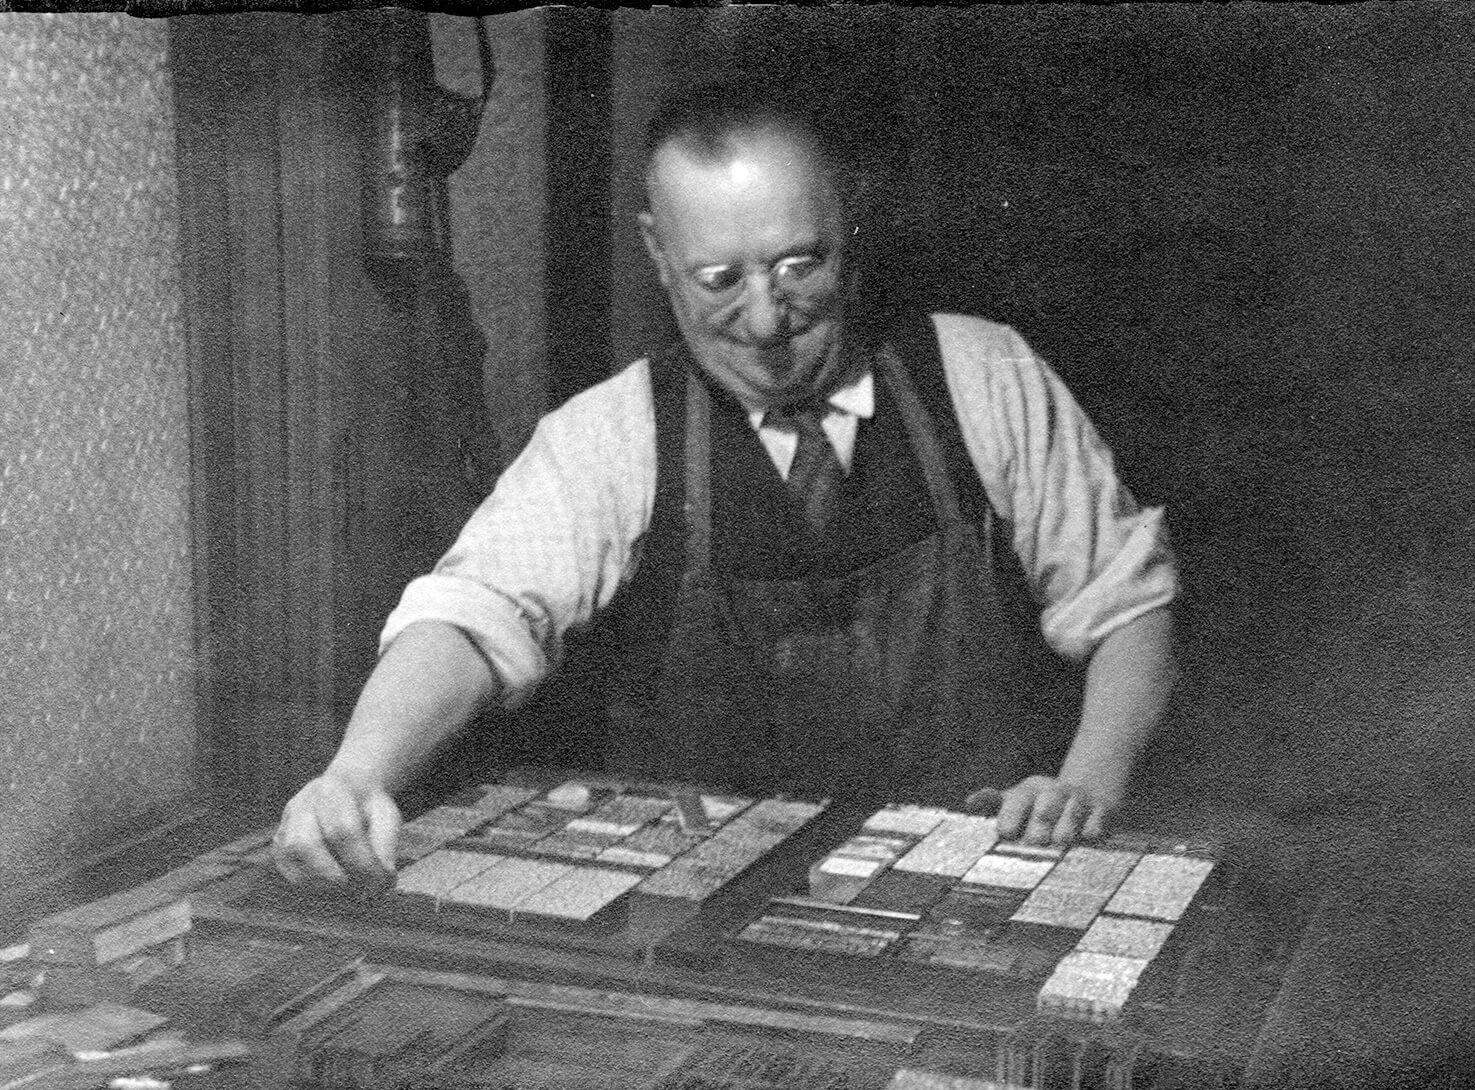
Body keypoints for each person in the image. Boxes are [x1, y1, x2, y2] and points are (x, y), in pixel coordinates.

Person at [273, 82, 1178, 889]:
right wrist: (356, 774)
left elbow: (1127, 607)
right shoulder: (611, 434)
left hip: (965, 873)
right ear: (656, 251)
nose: (765, 320)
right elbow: (471, 618)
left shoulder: (985, 374)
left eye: (799, 265)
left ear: (847, 223)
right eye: (719, 279)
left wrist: (1080, 789)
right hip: (699, 902)